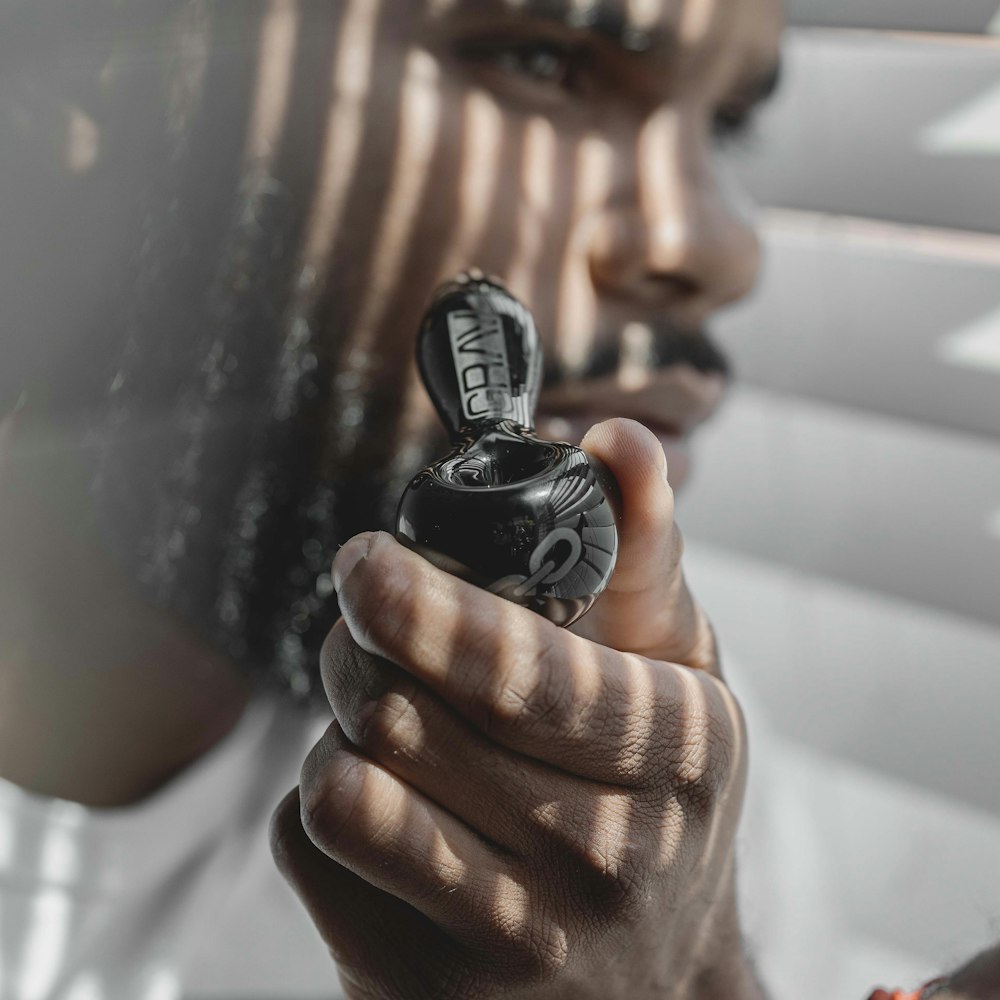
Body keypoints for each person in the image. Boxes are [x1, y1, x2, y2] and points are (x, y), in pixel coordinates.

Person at [1, 1, 997, 998]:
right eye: (544, 61)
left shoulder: (629, 812)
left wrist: (696, 978)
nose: (718, 250)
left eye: (725, 123)